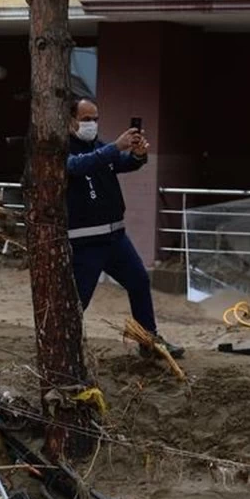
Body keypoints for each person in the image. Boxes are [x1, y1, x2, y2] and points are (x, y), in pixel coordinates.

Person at [66, 97, 184, 359]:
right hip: (85, 243)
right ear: (70, 120)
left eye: (95, 119)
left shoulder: (98, 147)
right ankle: (64, 348)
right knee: (79, 300)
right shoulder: (63, 150)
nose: (92, 124)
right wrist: (114, 148)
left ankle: (149, 341)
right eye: (86, 119)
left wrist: (138, 155)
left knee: (139, 281)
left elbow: (122, 162)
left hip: (115, 237)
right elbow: (77, 166)